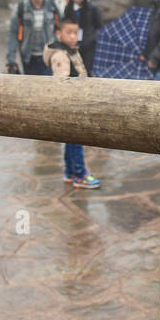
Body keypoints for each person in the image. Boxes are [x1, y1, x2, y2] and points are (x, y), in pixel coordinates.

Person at [44, 14, 101, 189]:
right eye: (69, 33)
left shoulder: (71, 50)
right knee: (76, 139)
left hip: (75, 101)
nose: (73, 37)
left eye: (76, 33)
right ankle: (80, 174)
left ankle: (70, 172)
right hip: (70, 104)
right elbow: (62, 83)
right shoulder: (60, 55)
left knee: (71, 140)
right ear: (59, 33)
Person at [6, 0, 56, 74]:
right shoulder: (21, 9)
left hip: (49, 57)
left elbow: (60, 30)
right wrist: (11, 59)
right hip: (28, 57)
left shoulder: (53, 8)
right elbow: (13, 33)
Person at [63, 0, 103, 76]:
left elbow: (99, 26)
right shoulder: (69, 8)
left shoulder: (92, 8)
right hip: (73, 43)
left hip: (88, 44)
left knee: (87, 70)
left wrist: (93, 38)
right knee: (73, 71)